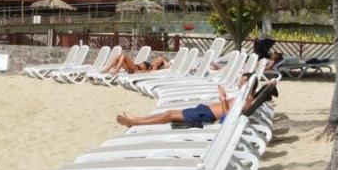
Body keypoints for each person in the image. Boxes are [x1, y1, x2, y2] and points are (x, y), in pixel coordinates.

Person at [116, 76, 277, 128]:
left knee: (168, 115)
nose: (239, 81)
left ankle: (135, 122)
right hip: (204, 110)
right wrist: (269, 86)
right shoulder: (249, 97)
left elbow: (227, 117)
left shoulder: (246, 101)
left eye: (242, 80)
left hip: (205, 115)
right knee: (169, 113)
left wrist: (222, 98)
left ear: (248, 84)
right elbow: (261, 92)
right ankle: (137, 119)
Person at [102, 51, 170, 76]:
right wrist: (165, 63)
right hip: (133, 67)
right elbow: (162, 59)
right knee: (118, 56)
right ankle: (107, 69)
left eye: (157, 60)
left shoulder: (154, 67)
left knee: (124, 56)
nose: (156, 59)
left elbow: (150, 73)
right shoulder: (153, 64)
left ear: (159, 63)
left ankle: (116, 70)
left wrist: (139, 71)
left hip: (135, 69)